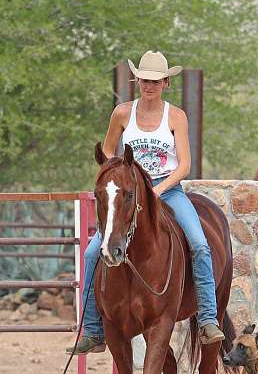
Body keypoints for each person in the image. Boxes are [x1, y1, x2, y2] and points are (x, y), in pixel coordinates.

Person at [67, 51, 224, 354]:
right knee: (90, 253)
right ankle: (93, 329)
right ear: (137, 80)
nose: (149, 85)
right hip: (129, 195)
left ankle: (207, 318)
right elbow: (110, 152)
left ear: (166, 82)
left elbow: (185, 165)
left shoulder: (176, 116)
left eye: (155, 80)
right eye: (144, 80)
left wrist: (158, 189)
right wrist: (116, 180)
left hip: (168, 190)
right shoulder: (122, 113)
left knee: (200, 244)